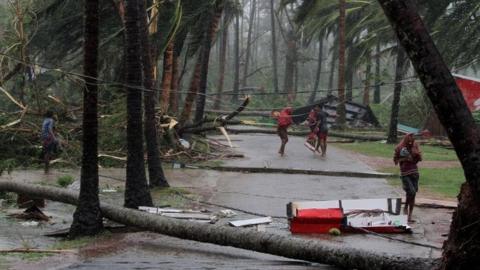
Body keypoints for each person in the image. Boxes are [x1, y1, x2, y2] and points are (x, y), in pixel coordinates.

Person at [393, 133, 422, 223]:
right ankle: (405, 208)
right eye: (409, 139)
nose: (411, 141)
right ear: (406, 138)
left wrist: (417, 156)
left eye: (412, 139)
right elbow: (395, 160)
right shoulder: (399, 147)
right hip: (405, 173)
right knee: (411, 192)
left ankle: (409, 216)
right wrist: (404, 159)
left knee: (412, 194)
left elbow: (419, 159)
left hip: (414, 172)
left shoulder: (415, 146)